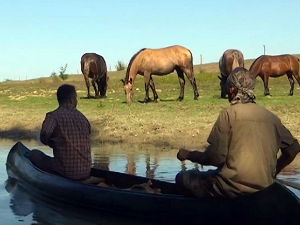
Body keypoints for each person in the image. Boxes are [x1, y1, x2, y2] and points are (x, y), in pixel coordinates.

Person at [176, 67, 300, 198]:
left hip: (230, 189)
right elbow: (293, 148)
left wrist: (189, 155)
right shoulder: (271, 117)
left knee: (182, 177)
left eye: (228, 88)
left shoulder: (228, 114)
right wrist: (273, 172)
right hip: (265, 188)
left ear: (232, 90)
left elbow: (216, 158)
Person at [29, 84, 91, 180]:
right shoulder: (83, 118)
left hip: (66, 172)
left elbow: (44, 137)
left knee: (34, 154)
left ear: (59, 99)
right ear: (71, 99)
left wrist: (53, 142)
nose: (76, 101)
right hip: (86, 172)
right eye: (76, 98)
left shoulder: (53, 117)